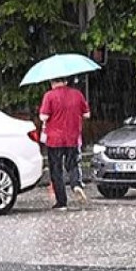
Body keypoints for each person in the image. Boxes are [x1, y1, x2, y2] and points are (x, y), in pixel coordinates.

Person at [38, 77, 91, 211]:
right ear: (66, 81)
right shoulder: (77, 94)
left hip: (54, 139)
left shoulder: (49, 96)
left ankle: (61, 203)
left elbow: (43, 116)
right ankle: (76, 184)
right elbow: (87, 114)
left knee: (56, 170)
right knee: (73, 164)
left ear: (52, 82)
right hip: (73, 137)